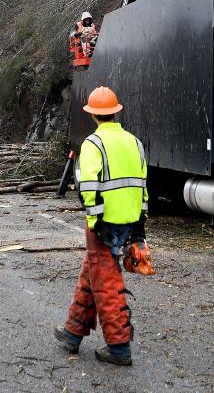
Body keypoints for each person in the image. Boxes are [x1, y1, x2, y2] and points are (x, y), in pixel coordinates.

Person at [55, 86, 148, 366]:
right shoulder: (135, 143)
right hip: (129, 221)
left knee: (106, 283)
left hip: (104, 223)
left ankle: (119, 348)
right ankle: (73, 331)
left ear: (94, 114)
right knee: (93, 272)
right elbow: (142, 186)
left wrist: (96, 223)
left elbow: (89, 188)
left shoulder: (93, 144)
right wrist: (140, 225)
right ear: (116, 112)